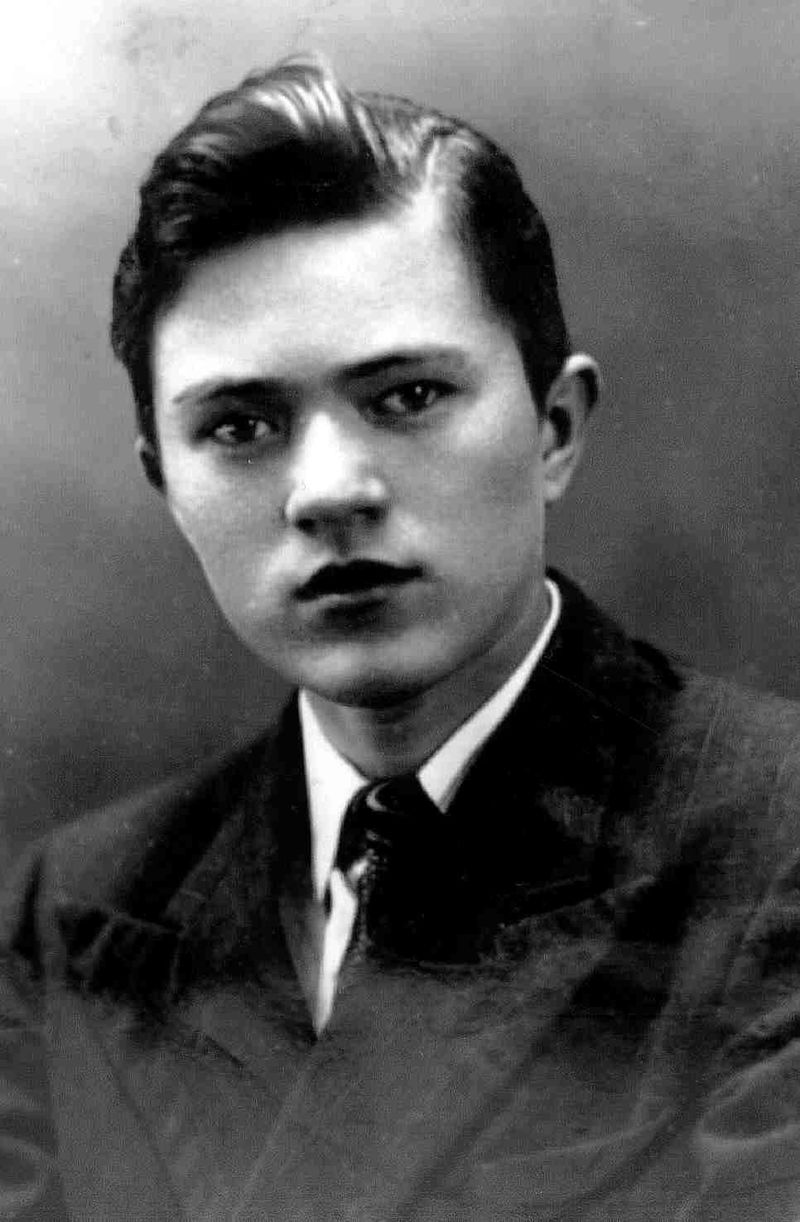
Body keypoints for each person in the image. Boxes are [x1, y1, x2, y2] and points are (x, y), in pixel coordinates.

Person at [2, 54, 800, 1222]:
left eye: (407, 397)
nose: (328, 490)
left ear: (553, 428)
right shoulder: (71, 910)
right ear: (165, 484)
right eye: (240, 426)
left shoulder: (771, 840)